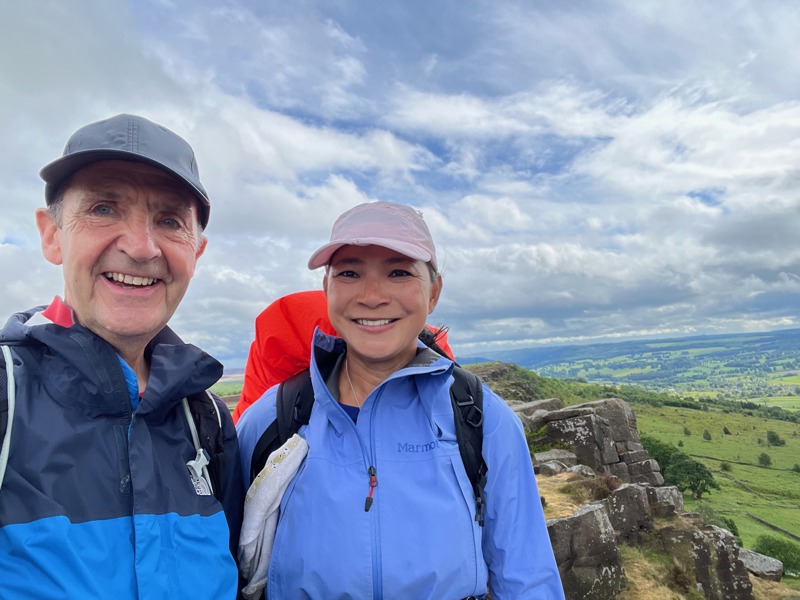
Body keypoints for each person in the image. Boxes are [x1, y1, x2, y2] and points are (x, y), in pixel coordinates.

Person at [236, 201, 565, 599]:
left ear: (434, 292)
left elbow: (527, 580)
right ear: (327, 289)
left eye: (398, 272)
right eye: (350, 273)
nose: (372, 296)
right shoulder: (270, 421)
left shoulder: (483, 420)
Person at [0, 114, 244, 599]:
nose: (140, 246)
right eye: (104, 208)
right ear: (51, 234)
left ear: (197, 251)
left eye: (170, 221)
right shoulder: (5, 394)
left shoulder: (205, 418)